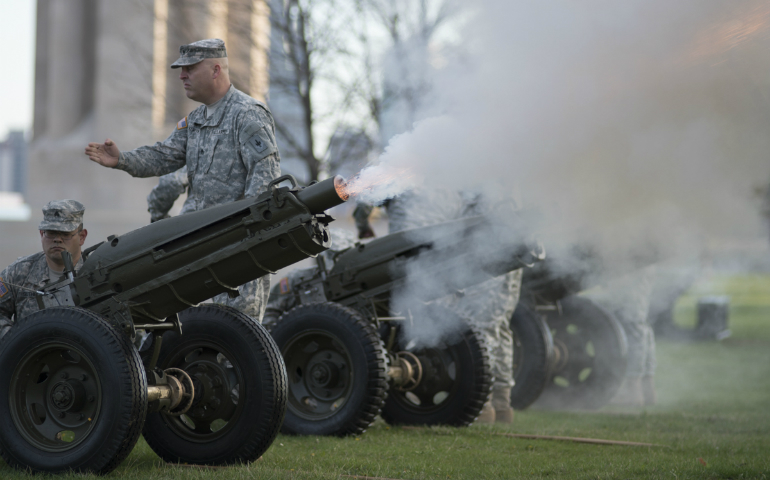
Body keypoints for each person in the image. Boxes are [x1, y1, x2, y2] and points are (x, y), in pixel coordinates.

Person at [84, 38, 281, 321]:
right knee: (184, 335)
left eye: (190, 68)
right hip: (193, 247)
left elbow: (264, 182)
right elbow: (164, 156)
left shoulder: (247, 114)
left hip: (236, 250)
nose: (182, 75)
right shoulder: (195, 120)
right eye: (181, 69)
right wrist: (122, 160)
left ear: (215, 70)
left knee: (234, 336)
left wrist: (244, 238)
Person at [354, 189, 522, 424]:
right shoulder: (460, 173)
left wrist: (363, 226)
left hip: (425, 260)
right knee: (496, 327)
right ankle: (501, 406)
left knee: (471, 328)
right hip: (487, 250)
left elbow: (366, 196)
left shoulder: (403, 170)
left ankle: (480, 406)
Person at [0, 200, 88, 338]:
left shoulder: (94, 272)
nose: (57, 239)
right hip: (30, 356)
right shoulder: (19, 273)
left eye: (65, 234)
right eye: (51, 233)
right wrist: (16, 340)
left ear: (82, 237)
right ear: (42, 234)